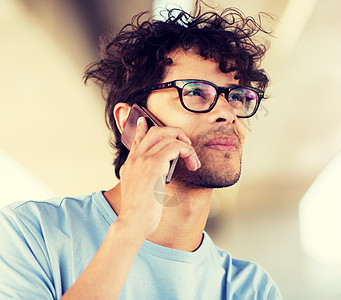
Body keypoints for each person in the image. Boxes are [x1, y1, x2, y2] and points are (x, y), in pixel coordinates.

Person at [0, 3, 282, 299]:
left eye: (237, 96)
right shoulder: (30, 235)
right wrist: (131, 227)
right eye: (196, 92)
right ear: (133, 122)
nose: (227, 112)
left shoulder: (252, 289)